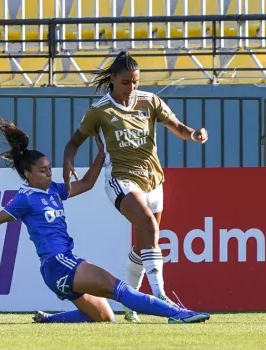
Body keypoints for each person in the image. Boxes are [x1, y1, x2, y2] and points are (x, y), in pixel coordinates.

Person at [0, 118, 210, 324]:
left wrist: (102, 154)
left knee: (104, 316)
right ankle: (178, 313)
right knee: (118, 289)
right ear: (27, 174)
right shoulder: (25, 198)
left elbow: (85, 184)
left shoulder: (52, 191)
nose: (49, 173)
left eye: (50, 168)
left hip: (56, 271)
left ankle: (49, 320)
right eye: (42, 170)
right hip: (60, 264)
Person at [63, 51, 209, 323]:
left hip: (153, 178)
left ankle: (131, 303)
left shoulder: (149, 101)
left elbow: (176, 126)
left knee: (144, 243)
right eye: (126, 83)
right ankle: (161, 299)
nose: (131, 88)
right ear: (113, 81)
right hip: (120, 178)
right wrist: (68, 161)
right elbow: (73, 142)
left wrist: (193, 134)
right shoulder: (100, 110)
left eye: (136, 82)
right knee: (150, 228)